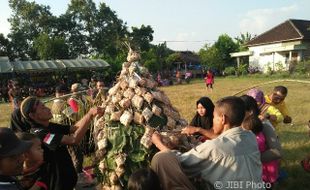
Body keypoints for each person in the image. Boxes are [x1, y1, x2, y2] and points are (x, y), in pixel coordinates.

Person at [151, 96, 263, 190]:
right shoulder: (250, 137)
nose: (213, 120)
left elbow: (179, 162)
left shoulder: (214, 147)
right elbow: (226, 140)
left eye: (214, 117)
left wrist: (158, 143)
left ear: (223, 119)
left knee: (161, 158)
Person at [20, 96, 103, 190]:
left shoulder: (49, 125)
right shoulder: (40, 134)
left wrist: (91, 115)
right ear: (32, 115)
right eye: (43, 108)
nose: (48, 109)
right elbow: (73, 140)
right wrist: (89, 115)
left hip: (67, 181)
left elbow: (74, 128)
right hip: (57, 185)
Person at [240, 95, 282, 163]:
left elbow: (276, 151)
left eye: (240, 111)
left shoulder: (264, 124)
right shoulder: (237, 123)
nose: (236, 113)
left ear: (250, 112)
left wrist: (250, 160)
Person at [242, 111, 279, 186]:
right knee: (270, 181)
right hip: (269, 162)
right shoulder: (261, 134)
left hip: (263, 163)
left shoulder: (254, 140)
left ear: (250, 131)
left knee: (264, 180)